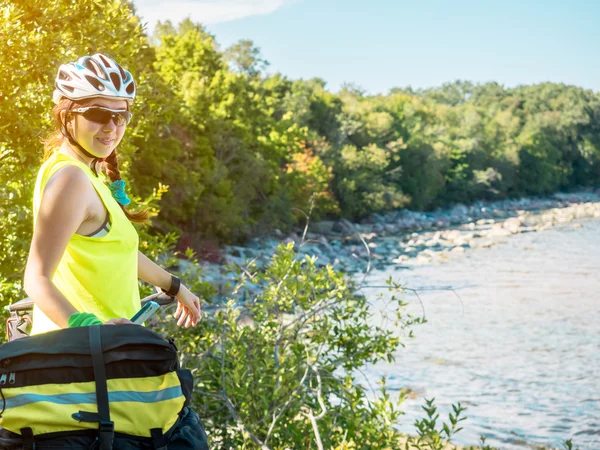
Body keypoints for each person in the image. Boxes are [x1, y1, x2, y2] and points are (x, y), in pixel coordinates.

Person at [23, 53, 201, 334]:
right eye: (98, 114)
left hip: (105, 357)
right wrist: (92, 329)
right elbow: (36, 278)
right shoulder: (70, 178)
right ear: (66, 116)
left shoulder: (88, 175)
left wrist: (174, 285)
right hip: (81, 362)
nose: (111, 127)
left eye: (121, 116)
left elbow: (119, 250)